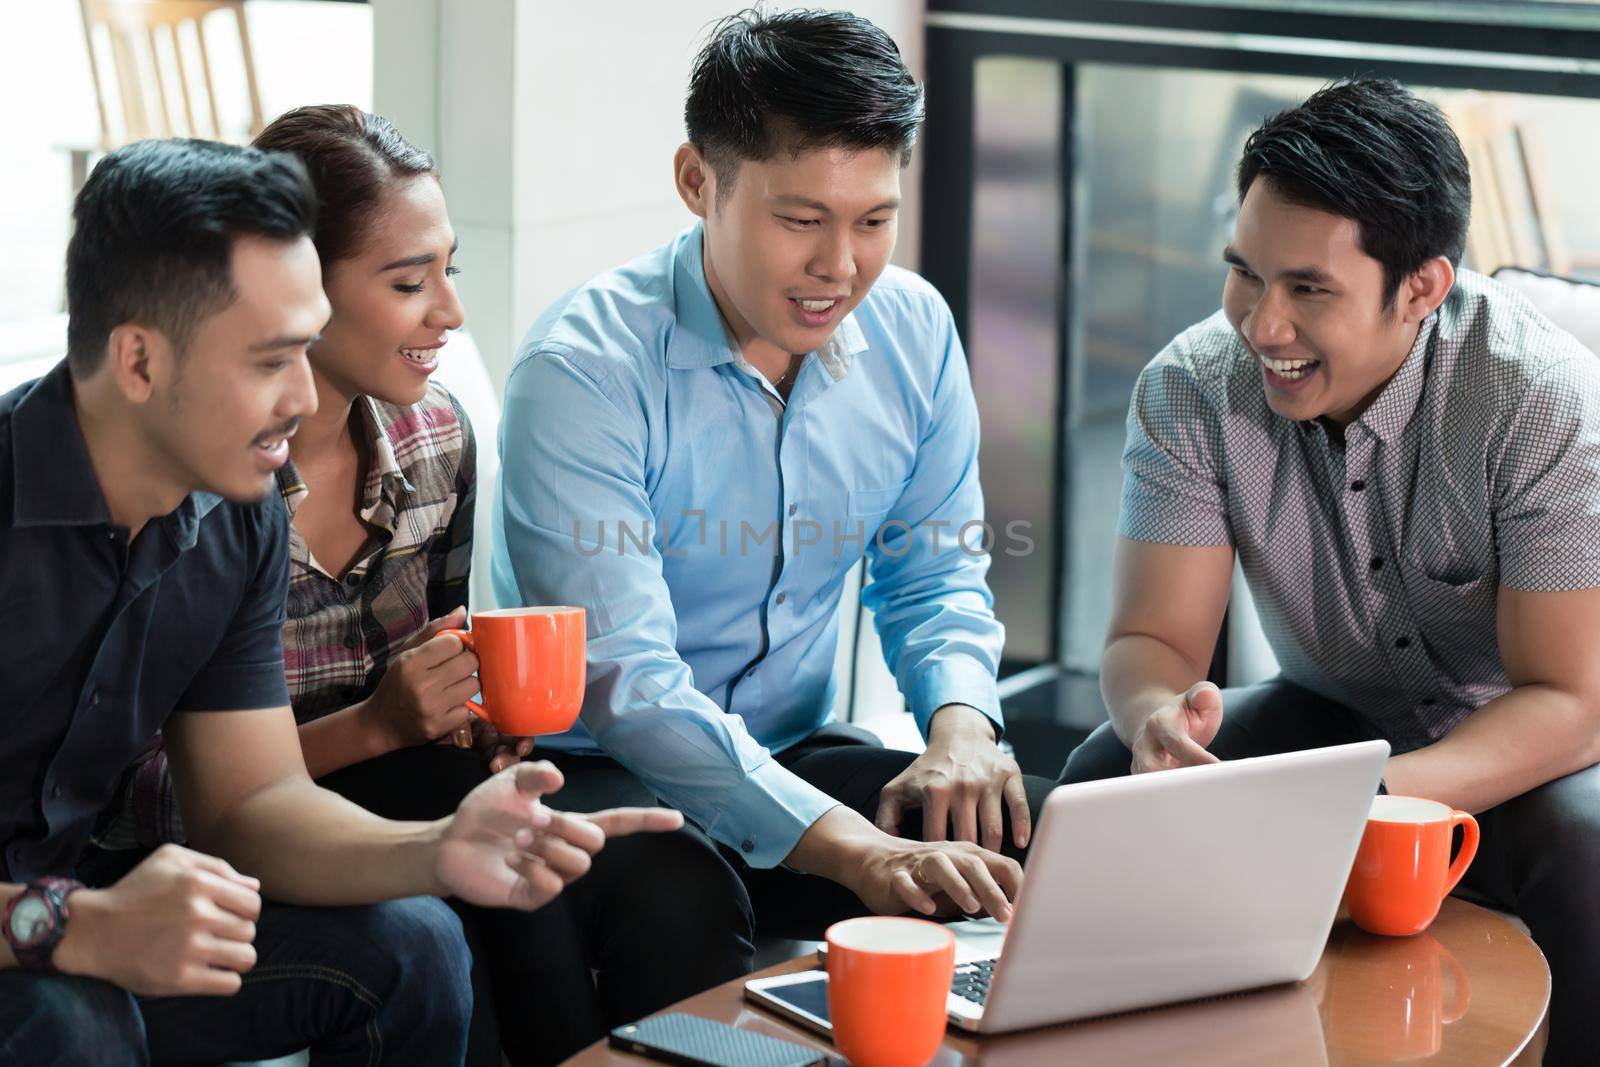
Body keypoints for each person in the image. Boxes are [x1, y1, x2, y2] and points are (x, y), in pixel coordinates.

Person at [96, 104, 755, 1067]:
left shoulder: (434, 435)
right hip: (218, 843)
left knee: (670, 875)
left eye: (450, 270)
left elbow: (430, 667)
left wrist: (472, 708)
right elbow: (134, 797)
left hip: (404, 784)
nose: (450, 311)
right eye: (410, 282)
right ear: (294, 285)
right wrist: (376, 725)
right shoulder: (191, 483)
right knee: (487, 881)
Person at [1058, 78, 1600, 1066]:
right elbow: (1152, 644)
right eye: (1243, 273)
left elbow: (1566, 700)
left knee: (1589, 839)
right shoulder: (1189, 388)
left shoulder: (1539, 399)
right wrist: (1152, 715)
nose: (1260, 324)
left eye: (1308, 289)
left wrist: (1370, 796)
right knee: (1103, 776)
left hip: (1535, 745)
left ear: (1422, 288)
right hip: (1339, 718)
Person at [492, 8, 1056, 948]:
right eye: (801, 220)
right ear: (695, 181)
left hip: (792, 747)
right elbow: (626, 681)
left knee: (1038, 835)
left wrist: (963, 727)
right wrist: (859, 851)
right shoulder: (581, 370)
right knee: (680, 903)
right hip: (597, 762)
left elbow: (935, 575)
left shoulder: (913, 331)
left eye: (874, 221)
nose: (839, 267)